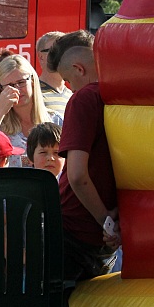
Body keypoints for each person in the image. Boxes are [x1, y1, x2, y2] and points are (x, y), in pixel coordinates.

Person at [46, 30, 120, 281]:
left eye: (67, 80)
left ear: (78, 69)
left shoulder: (83, 98)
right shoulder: (122, 93)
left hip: (74, 228)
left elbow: (77, 175)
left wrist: (106, 221)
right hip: (101, 233)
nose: (69, 88)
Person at [0, 54, 60, 169]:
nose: (17, 89)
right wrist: (0, 111)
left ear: (32, 80)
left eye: (21, 82)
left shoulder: (56, 120)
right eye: (9, 85)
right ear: (0, 88)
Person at [35, 32, 72, 120]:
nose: (61, 56)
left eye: (65, 51)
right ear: (41, 57)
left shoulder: (72, 95)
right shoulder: (34, 94)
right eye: (55, 51)